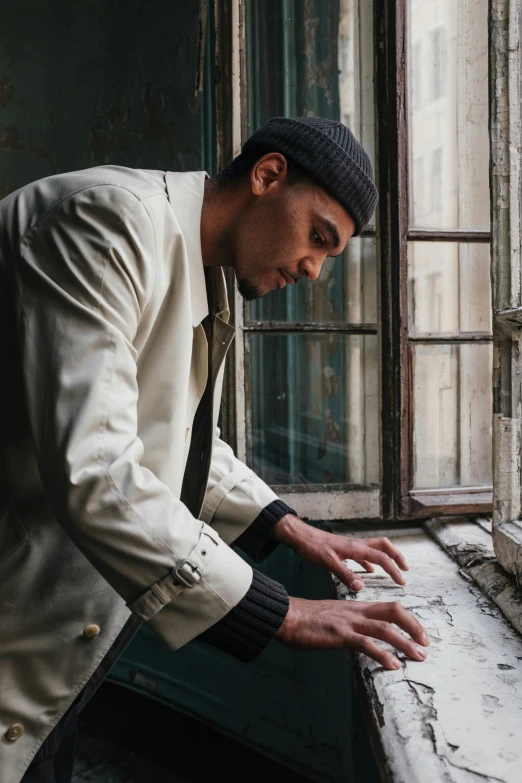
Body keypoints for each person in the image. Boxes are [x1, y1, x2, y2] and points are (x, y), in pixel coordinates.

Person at [0, 116, 429, 783]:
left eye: (330, 254)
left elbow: (175, 434)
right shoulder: (106, 224)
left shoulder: (203, 266)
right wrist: (279, 610)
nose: (314, 269)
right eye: (318, 236)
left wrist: (290, 527)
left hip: (46, 651)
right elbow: (98, 469)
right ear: (267, 176)